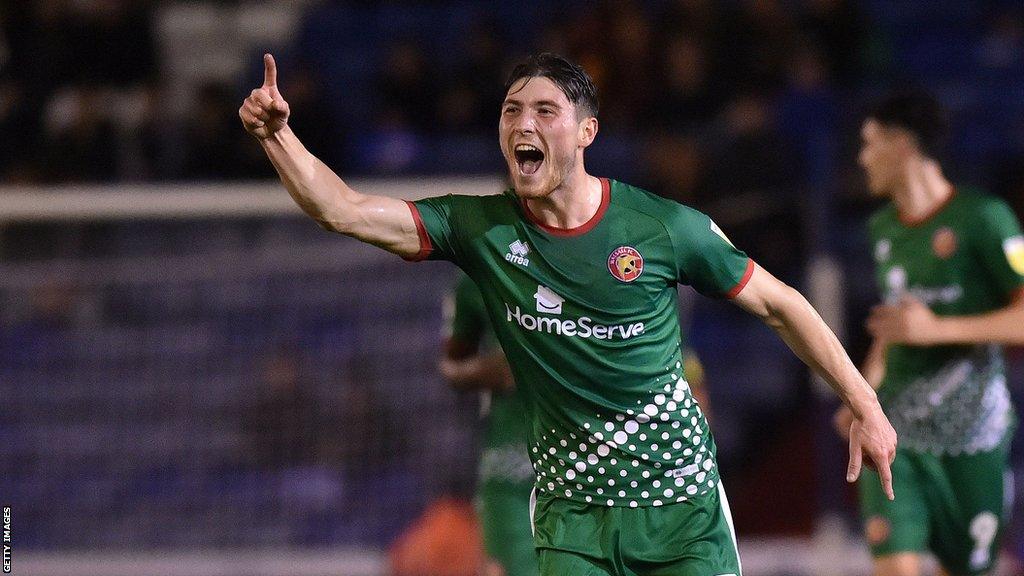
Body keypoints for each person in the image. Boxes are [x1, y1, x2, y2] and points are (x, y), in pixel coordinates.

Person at [240, 51, 896, 575]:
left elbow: (782, 304)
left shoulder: (662, 227)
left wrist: (864, 403)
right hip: (571, 521)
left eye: (545, 111)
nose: (523, 123)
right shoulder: (480, 228)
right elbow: (344, 210)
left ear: (586, 132)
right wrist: (280, 139)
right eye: (511, 110)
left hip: (680, 511)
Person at [835, 92, 1024, 576]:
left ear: (901, 145)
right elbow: (894, 328)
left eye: (869, 143)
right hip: (898, 433)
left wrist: (939, 328)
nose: (861, 158)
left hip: (971, 435)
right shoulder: (881, 228)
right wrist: (863, 396)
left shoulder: (985, 218)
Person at [439, 272, 538, 576]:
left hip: (588, 457)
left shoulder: (591, 263)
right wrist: (489, 370)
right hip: (510, 465)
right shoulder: (475, 281)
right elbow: (451, 366)